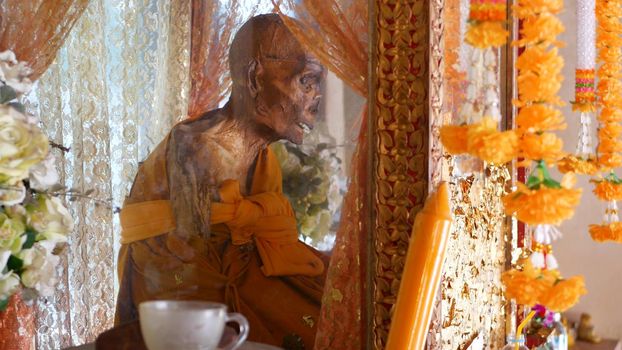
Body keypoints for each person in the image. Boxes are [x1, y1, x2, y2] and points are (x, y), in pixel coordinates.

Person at [115, 14, 327, 349]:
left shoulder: (260, 153)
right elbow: (185, 270)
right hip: (181, 291)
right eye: (306, 82)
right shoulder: (199, 146)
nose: (316, 101)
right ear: (255, 77)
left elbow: (257, 241)